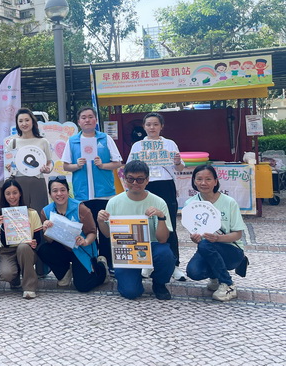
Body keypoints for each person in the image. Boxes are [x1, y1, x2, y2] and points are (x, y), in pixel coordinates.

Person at [97, 160, 175, 301]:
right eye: (130, 179)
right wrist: (100, 221)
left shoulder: (159, 202)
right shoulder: (114, 202)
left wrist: (161, 217)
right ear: (124, 179)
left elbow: (163, 239)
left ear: (147, 180)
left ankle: (159, 283)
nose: (135, 183)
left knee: (166, 254)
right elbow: (108, 234)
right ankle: (133, 278)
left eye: (140, 179)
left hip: (152, 246)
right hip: (126, 249)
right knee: (131, 292)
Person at [62, 107, 122, 266]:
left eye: (90, 117)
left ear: (96, 120)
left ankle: (108, 263)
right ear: (78, 122)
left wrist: (103, 165)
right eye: (83, 117)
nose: (87, 120)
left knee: (105, 230)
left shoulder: (105, 138)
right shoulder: (72, 141)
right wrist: (77, 165)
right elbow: (66, 166)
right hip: (83, 194)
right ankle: (92, 263)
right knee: (89, 229)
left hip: (105, 193)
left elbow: (117, 162)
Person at [129, 112, 186, 281]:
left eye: (155, 124)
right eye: (148, 124)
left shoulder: (170, 144)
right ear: (144, 127)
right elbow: (130, 167)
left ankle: (174, 264)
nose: (152, 127)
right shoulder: (138, 146)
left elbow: (180, 168)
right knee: (143, 223)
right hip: (144, 185)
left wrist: (177, 161)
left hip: (166, 185)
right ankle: (146, 263)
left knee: (169, 224)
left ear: (161, 126)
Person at [185, 165, 248, 302]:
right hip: (207, 248)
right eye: (199, 179)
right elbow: (195, 232)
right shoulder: (191, 204)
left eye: (208, 179)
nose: (203, 183)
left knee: (205, 245)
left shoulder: (229, 202)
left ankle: (228, 284)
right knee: (193, 272)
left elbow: (237, 234)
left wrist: (218, 238)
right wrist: (194, 238)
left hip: (232, 249)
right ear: (194, 181)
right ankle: (215, 277)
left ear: (215, 181)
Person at [37, 176, 109, 292]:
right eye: (55, 191)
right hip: (62, 247)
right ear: (50, 194)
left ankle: (102, 269)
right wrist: (46, 230)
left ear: (68, 191)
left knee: (83, 286)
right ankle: (64, 273)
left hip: (81, 248)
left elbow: (92, 233)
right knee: (43, 250)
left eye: (63, 190)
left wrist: (85, 241)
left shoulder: (81, 209)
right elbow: (49, 241)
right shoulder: (46, 211)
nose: (59, 194)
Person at [0, 179, 43, 299]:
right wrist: (2, 226)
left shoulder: (32, 213)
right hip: (9, 251)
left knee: (23, 247)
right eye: (8, 193)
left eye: (15, 193)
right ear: (4, 196)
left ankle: (29, 287)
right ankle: (15, 278)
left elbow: (38, 238)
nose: (12, 197)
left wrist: (34, 243)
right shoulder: (1, 215)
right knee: (6, 274)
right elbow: (5, 243)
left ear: (20, 193)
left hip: (26, 250)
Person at [5, 108, 53, 211]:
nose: (24, 123)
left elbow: (49, 162)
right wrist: (8, 167)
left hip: (38, 181)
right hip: (18, 183)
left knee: (40, 213)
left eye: (27, 120)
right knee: (20, 214)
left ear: (32, 121)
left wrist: (48, 169)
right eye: (20, 121)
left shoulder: (43, 141)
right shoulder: (13, 143)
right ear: (17, 124)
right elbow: (7, 164)